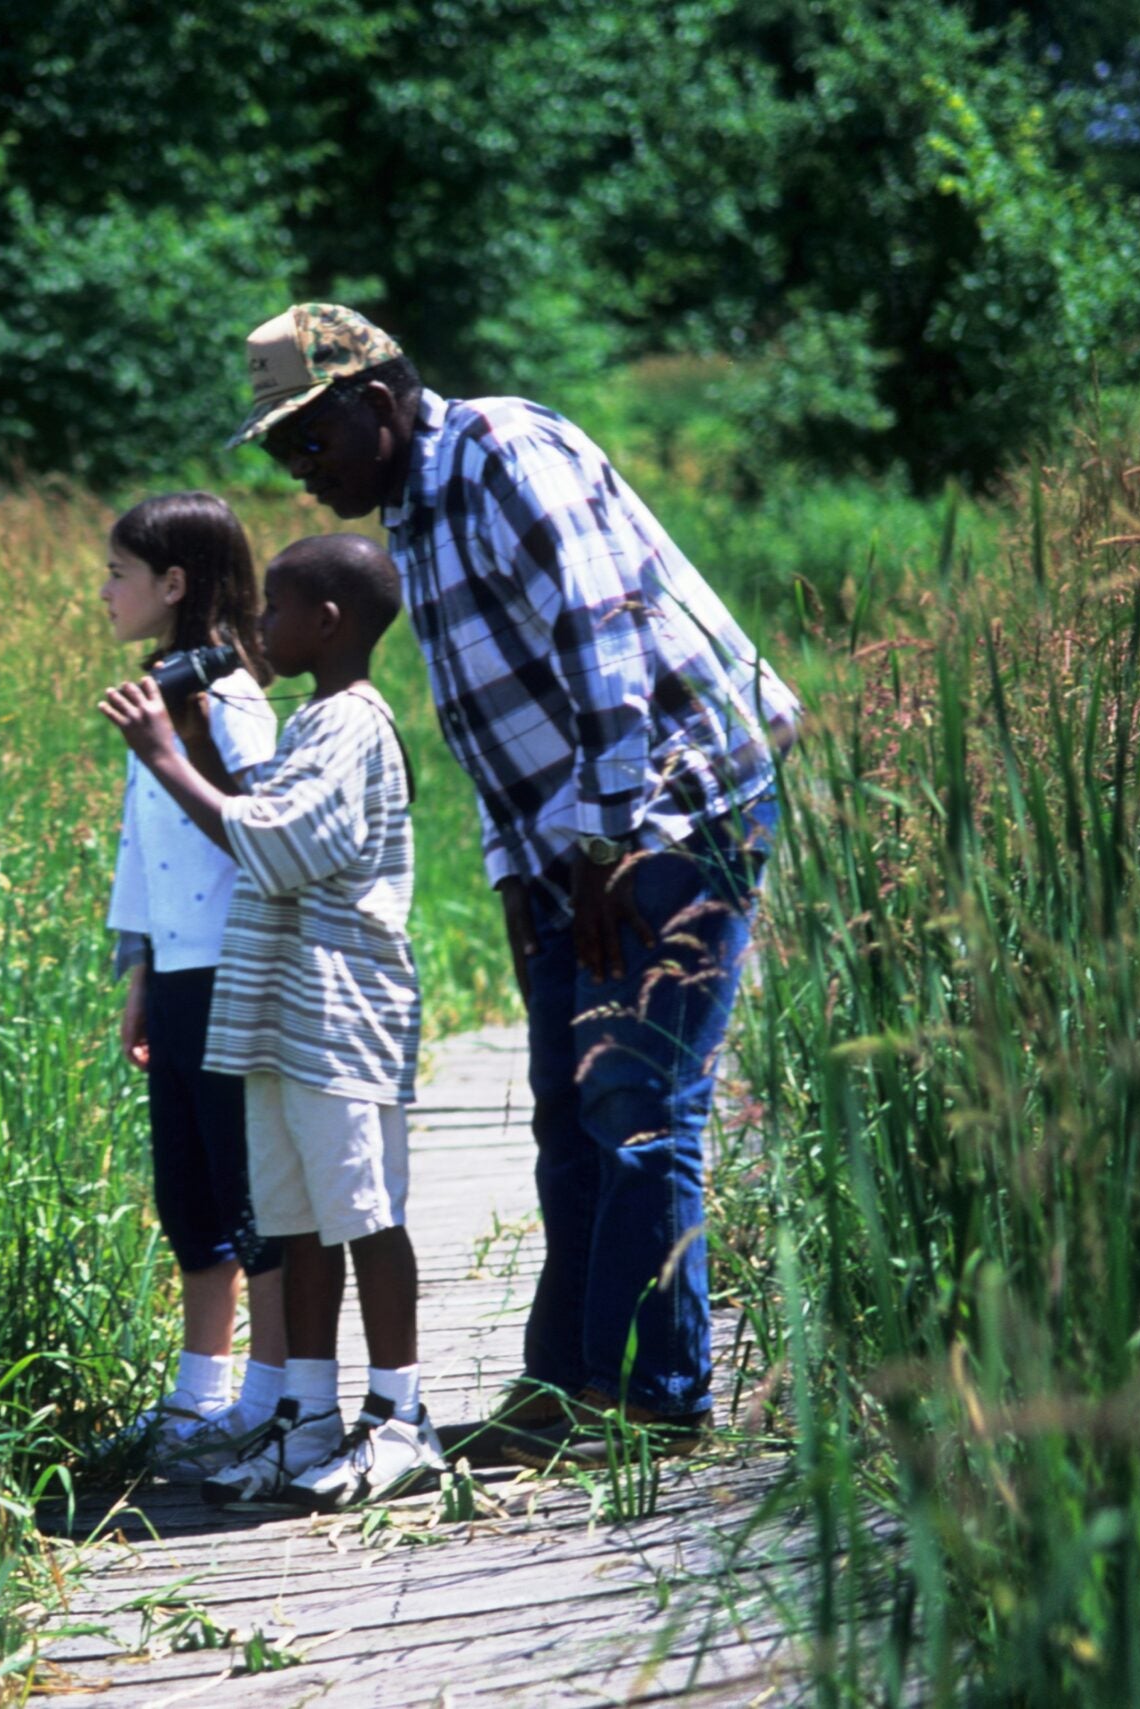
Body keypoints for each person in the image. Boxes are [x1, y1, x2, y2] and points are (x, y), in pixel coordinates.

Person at [226, 304, 802, 1463]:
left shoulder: (499, 453)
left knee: (637, 1109)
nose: (299, 471)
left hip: (671, 809)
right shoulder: (413, 517)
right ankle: (569, 1375)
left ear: (375, 403)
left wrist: (600, 848)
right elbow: (491, 727)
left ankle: (652, 1392)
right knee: (564, 1110)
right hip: (566, 842)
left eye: (308, 440)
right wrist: (517, 878)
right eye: (283, 452)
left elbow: (606, 647)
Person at [100, 533, 441, 1511]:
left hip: (337, 1008)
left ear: (325, 622)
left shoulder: (351, 724)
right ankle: (306, 1415)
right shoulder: (313, 721)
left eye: (277, 611)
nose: (259, 627)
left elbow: (276, 846)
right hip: (284, 1008)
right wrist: (196, 743)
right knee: (296, 1223)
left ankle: (400, 1414)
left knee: (363, 1212)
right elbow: (260, 807)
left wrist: (166, 755)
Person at [97, 492, 290, 1482]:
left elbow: (262, 833)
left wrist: (172, 751)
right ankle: (196, 1395)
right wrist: (137, 966)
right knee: (188, 1196)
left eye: (118, 573)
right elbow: (142, 843)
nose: (104, 591)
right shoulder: (157, 692)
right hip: (174, 971)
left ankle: (267, 1402)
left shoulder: (228, 699)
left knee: (247, 1190)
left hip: (234, 971)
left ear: (173, 584)